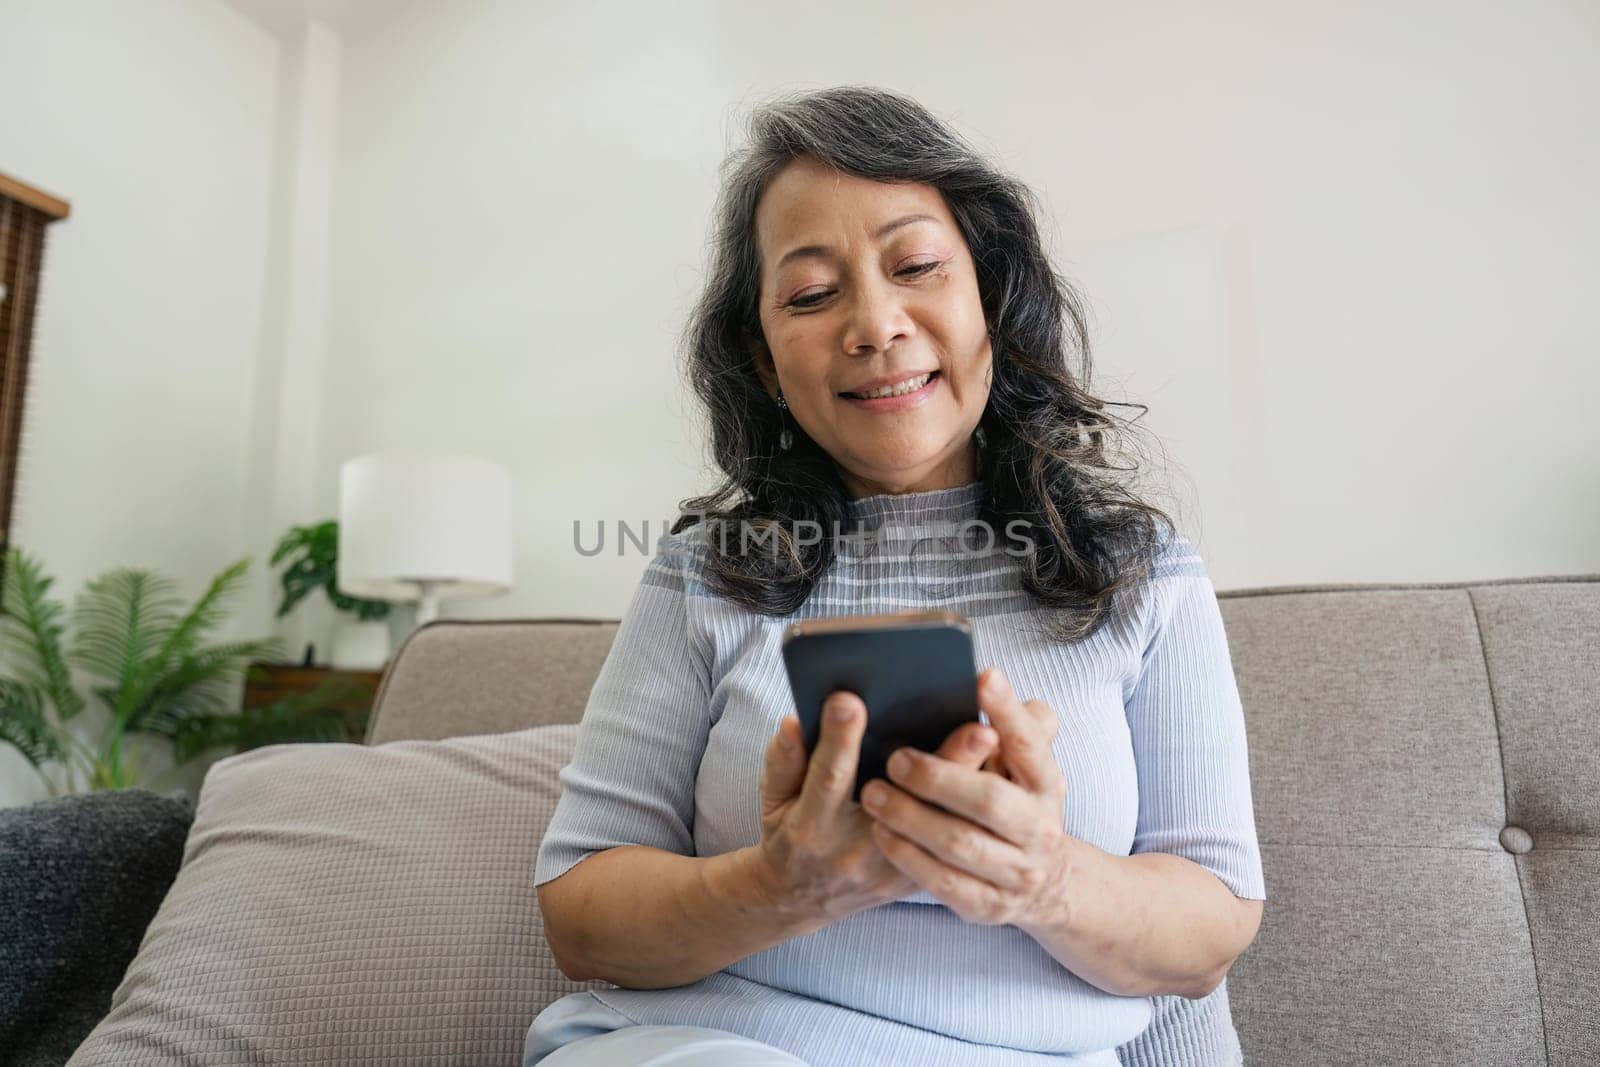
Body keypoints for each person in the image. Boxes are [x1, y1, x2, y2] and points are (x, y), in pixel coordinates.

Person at [524, 85, 1266, 1067]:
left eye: (915, 265)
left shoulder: (1142, 575)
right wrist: (780, 885)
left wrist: (1044, 879)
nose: (873, 324)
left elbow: (1211, 931)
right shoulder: (704, 574)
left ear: (988, 298)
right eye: (809, 293)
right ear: (762, 355)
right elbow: (581, 915)